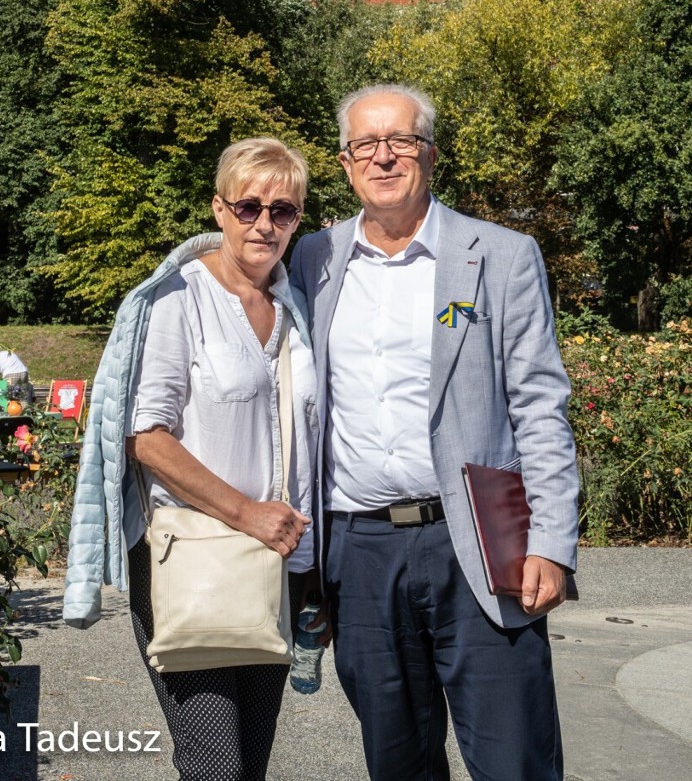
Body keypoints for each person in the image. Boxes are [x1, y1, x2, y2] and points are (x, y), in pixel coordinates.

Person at [289, 84, 579, 781]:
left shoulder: (501, 255)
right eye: (367, 144)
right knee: (398, 763)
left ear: (431, 154)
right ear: (345, 162)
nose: (383, 156)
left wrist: (552, 543)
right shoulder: (313, 260)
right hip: (358, 554)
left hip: (476, 542)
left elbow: (541, 403)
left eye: (401, 141)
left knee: (515, 760)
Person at [63, 137, 319, 781]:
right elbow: (144, 436)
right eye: (249, 206)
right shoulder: (180, 298)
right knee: (214, 766)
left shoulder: (294, 305)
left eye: (283, 210)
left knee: (249, 766)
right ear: (219, 209)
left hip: (275, 563)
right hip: (193, 554)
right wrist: (247, 513)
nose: (265, 222)